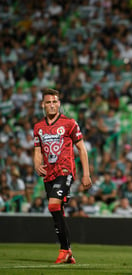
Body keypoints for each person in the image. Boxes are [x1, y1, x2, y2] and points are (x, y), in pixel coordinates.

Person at [33, 88, 92, 264]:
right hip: (48, 174)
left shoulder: (69, 123)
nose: (52, 105)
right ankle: (68, 251)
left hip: (65, 171)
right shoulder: (38, 127)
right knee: (56, 211)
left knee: (53, 205)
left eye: (55, 102)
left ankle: (64, 249)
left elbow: (82, 149)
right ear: (43, 105)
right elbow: (37, 149)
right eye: (48, 102)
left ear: (59, 103)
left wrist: (86, 174)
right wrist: (36, 163)